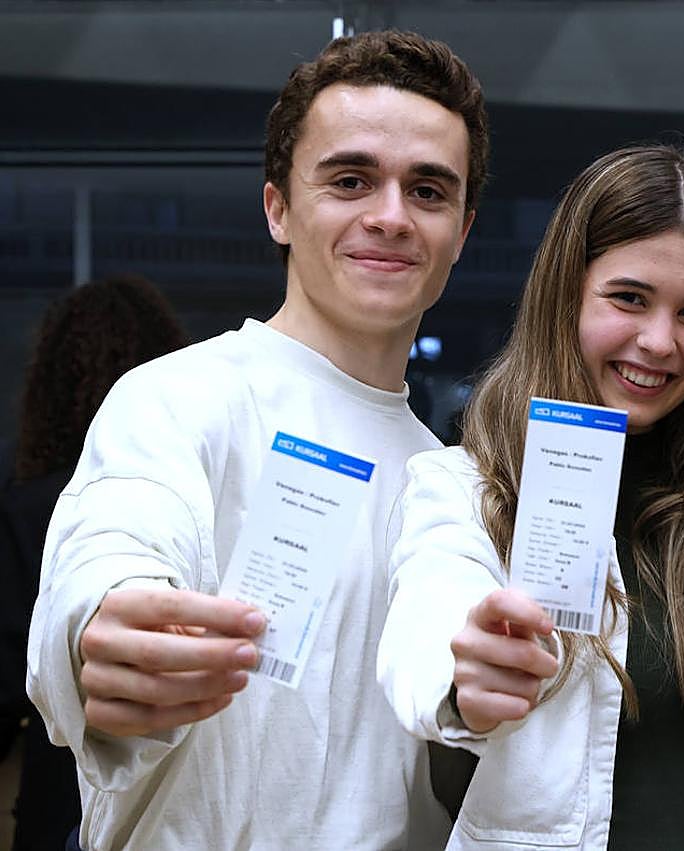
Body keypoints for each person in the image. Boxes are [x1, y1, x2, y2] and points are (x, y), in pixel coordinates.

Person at [26, 30, 486, 850]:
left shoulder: (450, 479)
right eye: (350, 180)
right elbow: (113, 540)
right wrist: (97, 626)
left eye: (428, 191)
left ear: (462, 227)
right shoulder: (179, 398)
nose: (390, 215)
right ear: (278, 206)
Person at [378, 143, 684, 850]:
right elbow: (430, 620)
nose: (657, 342)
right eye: (628, 298)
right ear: (568, 292)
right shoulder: (466, 486)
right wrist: (466, 672)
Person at [0, 275, 189, 850]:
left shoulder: (27, 504)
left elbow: (8, 677)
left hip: (57, 785)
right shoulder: (189, 503)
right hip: (165, 791)